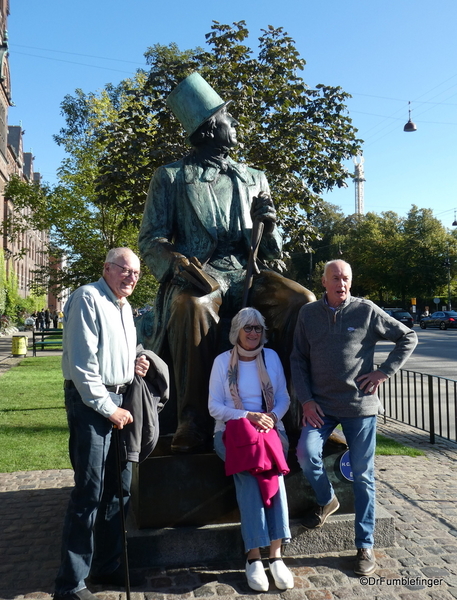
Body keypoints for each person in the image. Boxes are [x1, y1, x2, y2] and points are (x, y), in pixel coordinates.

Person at [138, 72, 315, 453]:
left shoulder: (255, 178)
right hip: (202, 273)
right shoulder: (170, 178)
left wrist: (269, 226)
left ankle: (300, 415)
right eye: (227, 118)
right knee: (192, 306)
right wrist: (179, 266)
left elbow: (273, 252)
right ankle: (193, 420)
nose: (235, 125)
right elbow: (150, 240)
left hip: (248, 271)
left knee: (300, 300)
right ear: (208, 129)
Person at [290, 260, 417, 577]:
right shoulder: (308, 314)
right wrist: (306, 400)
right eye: (335, 278)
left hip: (359, 407)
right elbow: (298, 359)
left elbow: (408, 337)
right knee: (306, 453)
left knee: (362, 476)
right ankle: (326, 499)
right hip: (321, 406)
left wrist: (383, 372)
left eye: (345, 278)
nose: (341, 283)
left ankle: (365, 545)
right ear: (324, 281)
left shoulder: (366, 310)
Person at [54, 248, 150, 600]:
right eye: (125, 270)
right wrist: (109, 408)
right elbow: (83, 367)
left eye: (136, 273)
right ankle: (70, 583)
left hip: (119, 402)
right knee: (89, 494)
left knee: (119, 489)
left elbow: (118, 349)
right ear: (106, 267)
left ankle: (106, 566)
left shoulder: (123, 308)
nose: (131, 277)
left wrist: (136, 360)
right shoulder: (87, 298)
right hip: (92, 406)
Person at [209, 307, 294, 592]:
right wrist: (247, 416)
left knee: (273, 473)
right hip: (232, 434)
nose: (253, 334)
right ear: (237, 331)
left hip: (270, 433)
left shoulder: (271, 358)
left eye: (258, 328)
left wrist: (272, 418)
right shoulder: (223, 362)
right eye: (248, 328)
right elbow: (214, 407)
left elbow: (282, 397)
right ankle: (254, 555)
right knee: (248, 472)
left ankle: (277, 554)